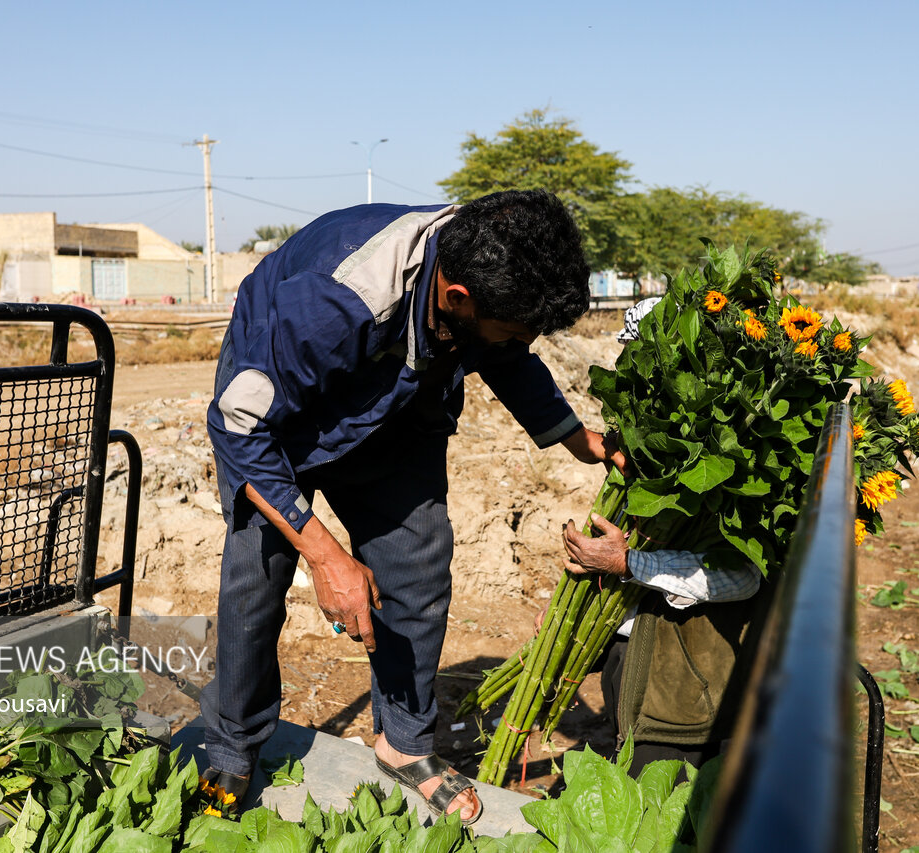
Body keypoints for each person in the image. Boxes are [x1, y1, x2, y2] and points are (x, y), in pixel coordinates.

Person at [203, 190, 627, 823]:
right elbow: (240, 427)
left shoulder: (484, 272)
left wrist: (578, 439)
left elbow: (508, 357)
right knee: (256, 581)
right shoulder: (341, 298)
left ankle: (402, 744)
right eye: (513, 328)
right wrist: (325, 554)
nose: (518, 341)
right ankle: (232, 748)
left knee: (419, 565)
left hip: (395, 402)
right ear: (456, 299)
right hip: (275, 413)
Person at [561, 296, 767, 774]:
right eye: (633, 362)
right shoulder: (649, 443)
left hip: (684, 691)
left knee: (665, 810)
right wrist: (570, 610)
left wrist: (629, 565)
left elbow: (741, 577)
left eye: (655, 365)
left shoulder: (733, 460)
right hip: (630, 661)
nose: (641, 381)